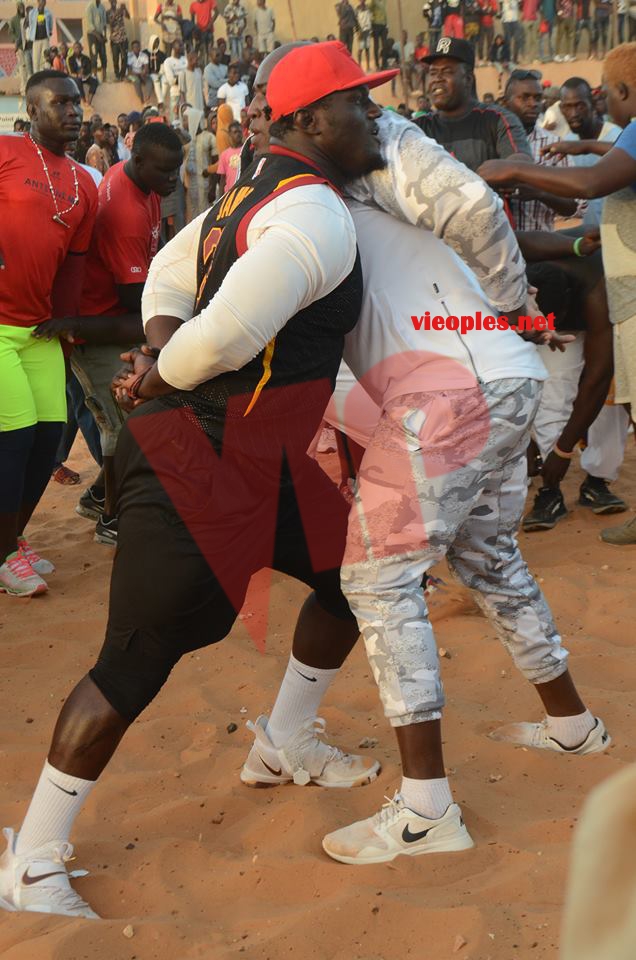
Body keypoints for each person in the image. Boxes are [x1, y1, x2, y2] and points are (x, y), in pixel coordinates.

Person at [0, 41, 396, 919]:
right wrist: (162, 370)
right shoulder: (315, 212)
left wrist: (155, 351)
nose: (371, 118)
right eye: (355, 104)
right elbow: (219, 341)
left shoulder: (254, 192)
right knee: (134, 662)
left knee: (353, 580)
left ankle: (284, 741)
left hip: (268, 458)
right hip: (199, 458)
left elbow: (174, 276)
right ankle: (31, 860)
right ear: (305, 121)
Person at [478, 42, 636, 545]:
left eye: (607, 95)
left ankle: (587, 478)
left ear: (624, 91)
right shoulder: (577, 268)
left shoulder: (591, 291)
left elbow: (589, 185)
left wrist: (515, 169)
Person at [34, 123, 184, 548]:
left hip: (111, 317)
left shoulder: (144, 187)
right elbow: (135, 299)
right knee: (125, 422)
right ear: (137, 160)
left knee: (127, 418)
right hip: (95, 325)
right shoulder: (126, 215)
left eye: (177, 170)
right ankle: (112, 518)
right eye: (165, 171)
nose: (172, 180)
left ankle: (100, 495)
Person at [0, 70, 97, 598]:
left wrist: (68, 324)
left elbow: (74, 267)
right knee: (12, 438)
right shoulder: (6, 151)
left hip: (39, 331)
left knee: (45, 444)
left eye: (77, 102)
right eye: (60, 102)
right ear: (32, 109)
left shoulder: (85, 183)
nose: (73, 111)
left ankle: (10, 538)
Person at [415, 37, 532, 171]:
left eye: (447, 72)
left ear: (468, 79)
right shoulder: (418, 128)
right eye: (433, 73)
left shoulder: (498, 120)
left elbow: (521, 164)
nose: (437, 79)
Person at [10, 2, 32, 99]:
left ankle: (30, 88)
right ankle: (23, 89)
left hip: (28, 46)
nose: (21, 8)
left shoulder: (27, 19)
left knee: (29, 67)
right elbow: (11, 32)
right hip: (19, 47)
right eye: (19, 7)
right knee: (22, 68)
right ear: (17, 8)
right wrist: (16, 40)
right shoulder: (14, 20)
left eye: (22, 6)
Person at [106, 0, 130, 81]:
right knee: (115, 59)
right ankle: (117, 75)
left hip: (123, 38)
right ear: (109, 2)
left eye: (114, 1)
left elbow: (128, 17)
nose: (113, 2)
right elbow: (110, 23)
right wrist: (116, 14)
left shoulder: (120, 10)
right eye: (112, 1)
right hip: (114, 39)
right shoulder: (108, 12)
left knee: (125, 58)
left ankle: (122, 75)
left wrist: (125, 9)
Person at [163, 38, 187, 118]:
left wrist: (178, 76)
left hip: (187, 93)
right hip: (175, 94)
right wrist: (183, 76)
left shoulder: (185, 59)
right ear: (173, 47)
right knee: (175, 118)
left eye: (182, 45)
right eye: (180, 45)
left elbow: (189, 76)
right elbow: (171, 81)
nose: (182, 47)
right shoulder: (168, 61)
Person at [216, 117, 242, 192]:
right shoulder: (224, 154)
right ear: (230, 134)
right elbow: (222, 179)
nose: (238, 134)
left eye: (240, 132)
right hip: (229, 193)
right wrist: (220, 198)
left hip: (242, 192)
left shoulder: (246, 150)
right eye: (235, 132)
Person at [27, 0, 53, 73]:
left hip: (45, 39)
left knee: (46, 58)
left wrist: (50, 31)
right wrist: (30, 36)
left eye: (44, 1)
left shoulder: (48, 13)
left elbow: (50, 23)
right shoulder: (32, 13)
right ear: (38, 2)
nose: (42, 3)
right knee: (36, 59)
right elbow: (30, 25)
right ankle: (36, 76)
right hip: (36, 40)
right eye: (41, 1)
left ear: (45, 3)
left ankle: (46, 75)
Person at [86, 0, 108, 82]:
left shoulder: (102, 7)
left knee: (103, 56)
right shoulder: (90, 7)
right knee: (94, 56)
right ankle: (94, 78)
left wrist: (105, 35)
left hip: (100, 34)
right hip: (92, 35)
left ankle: (104, 78)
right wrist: (98, 36)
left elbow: (104, 22)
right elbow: (90, 24)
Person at [127, 39, 153, 104]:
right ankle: (141, 99)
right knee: (136, 81)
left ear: (140, 47)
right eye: (134, 47)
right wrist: (138, 74)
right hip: (132, 75)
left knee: (149, 80)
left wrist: (144, 72)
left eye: (138, 47)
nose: (136, 48)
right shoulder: (129, 56)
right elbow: (130, 71)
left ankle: (147, 97)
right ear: (132, 48)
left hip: (141, 73)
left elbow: (146, 67)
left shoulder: (144, 55)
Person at [369, 0, 388, 68]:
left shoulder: (384, 1)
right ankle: (377, 64)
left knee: (385, 45)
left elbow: (385, 12)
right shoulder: (373, 1)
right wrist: (371, 23)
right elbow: (369, 11)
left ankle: (384, 63)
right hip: (376, 25)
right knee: (376, 46)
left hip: (383, 25)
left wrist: (386, 24)